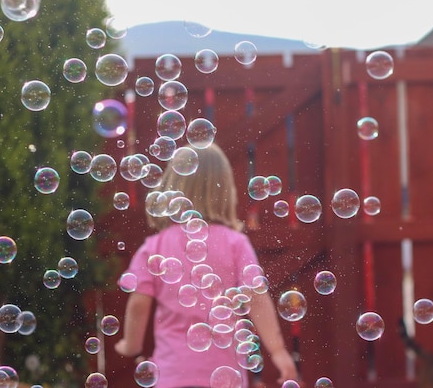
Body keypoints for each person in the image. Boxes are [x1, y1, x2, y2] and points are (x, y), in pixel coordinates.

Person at [115, 143, 298, 388]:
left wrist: (131, 344)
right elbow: (257, 298)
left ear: (172, 188)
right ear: (225, 191)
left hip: (172, 376)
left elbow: (138, 304)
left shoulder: (155, 246)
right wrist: (277, 350)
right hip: (226, 379)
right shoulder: (236, 243)